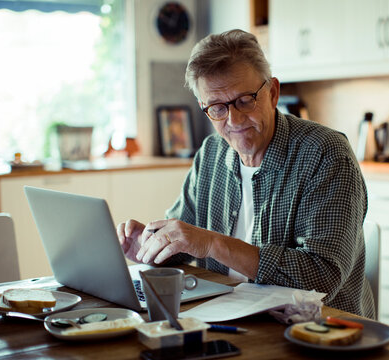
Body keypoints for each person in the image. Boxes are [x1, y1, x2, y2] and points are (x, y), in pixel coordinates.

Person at [117, 29, 374, 319]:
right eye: (217, 107)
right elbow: (186, 242)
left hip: (317, 332)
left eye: (244, 100)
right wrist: (148, 246)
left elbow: (320, 277)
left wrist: (214, 243)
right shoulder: (212, 152)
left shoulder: (326, 154)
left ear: (273, 92)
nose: (234, 120)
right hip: (225, 318)